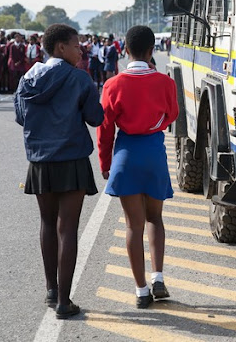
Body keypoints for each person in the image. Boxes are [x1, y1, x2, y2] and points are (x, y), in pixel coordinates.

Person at [14, 23, 104, 319]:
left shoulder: (29, 76)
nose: (82, 49)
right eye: (77, 45)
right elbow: (95, 118)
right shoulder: (80, 79)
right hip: (72, 158)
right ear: (61, 47)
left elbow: (20, 116)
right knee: (68, 228)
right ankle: (65, 301)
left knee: (47, 223)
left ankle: (51, 290)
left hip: (40, 159)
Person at [97, 25, 179, 309]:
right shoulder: (165, 82)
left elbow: (105, 129)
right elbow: (173, 115)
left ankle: (141, 291)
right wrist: (153, 124)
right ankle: (158, 276)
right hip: (154, 152)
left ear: (125, 50)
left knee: (134, 225)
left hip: (125, 154)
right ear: (151, 50)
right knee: (155, 218)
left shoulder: (113, 85)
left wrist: (105, 163)